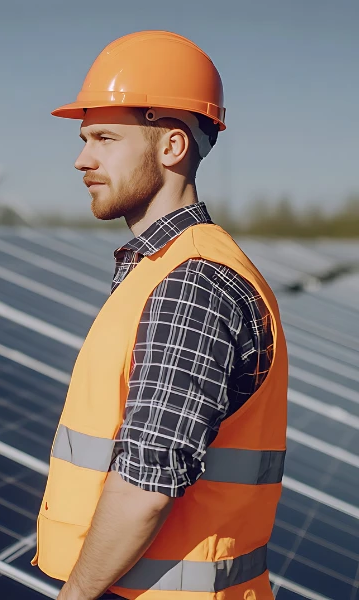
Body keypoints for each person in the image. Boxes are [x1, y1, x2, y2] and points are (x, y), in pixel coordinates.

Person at [31, 31, 288, 600]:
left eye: (104, 137)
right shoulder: (165, 267)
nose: (82, 159)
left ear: (172, 147)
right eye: (83, 138)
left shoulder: (191, 282)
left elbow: (146, 483)